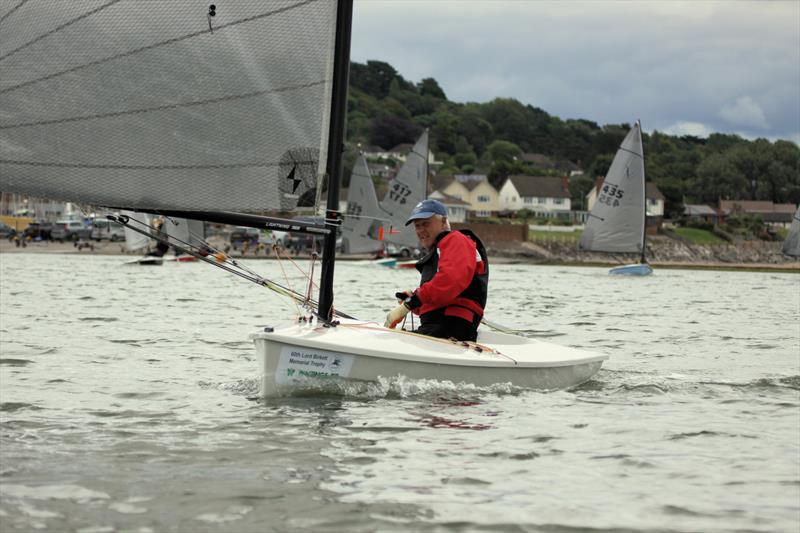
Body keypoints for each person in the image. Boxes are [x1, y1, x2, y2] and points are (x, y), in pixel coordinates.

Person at [384, 199, 488, 342]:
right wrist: (413, 302)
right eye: (417, 226)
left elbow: (450, 282)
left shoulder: (456, 240)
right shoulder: (442, 250)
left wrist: (412, 302)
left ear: (444, 222)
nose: (420, 230)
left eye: (426, 224)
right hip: (441, 328)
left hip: (451, 327)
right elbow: (440, 297)